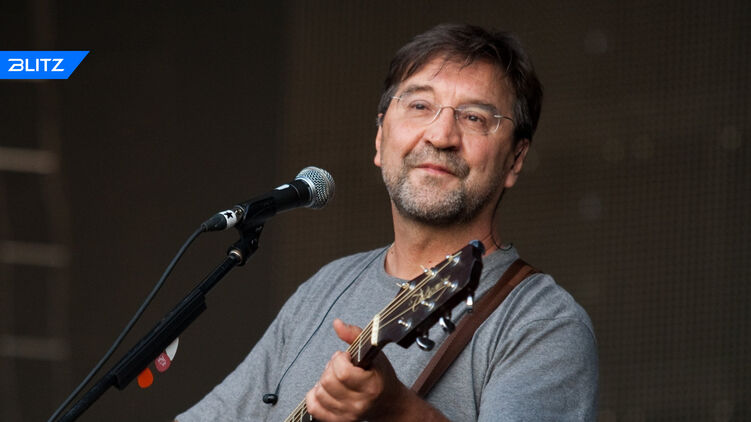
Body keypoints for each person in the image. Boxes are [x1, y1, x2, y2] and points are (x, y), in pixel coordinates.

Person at [176, 23, 598, 421]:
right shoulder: (324, 290)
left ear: (516, 159)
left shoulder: (541, 322)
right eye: (419, 106)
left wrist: (398, 410)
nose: (440, 135)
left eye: (474, 117)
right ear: (380, 139)